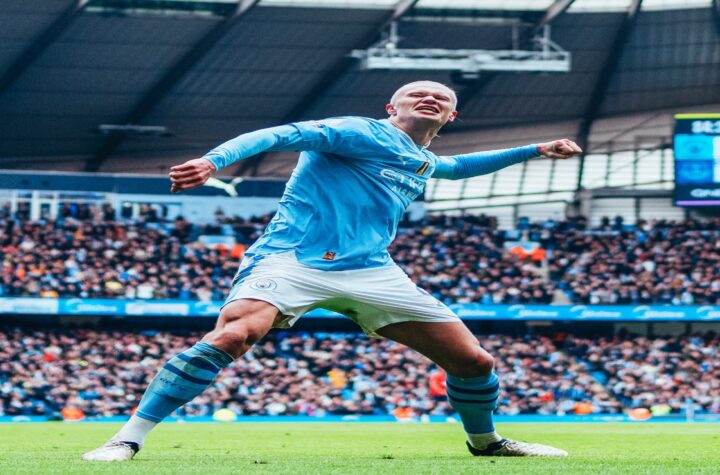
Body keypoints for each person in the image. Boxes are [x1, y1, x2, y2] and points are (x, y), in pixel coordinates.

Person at [83, 81, 581, 461]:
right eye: (416, 93)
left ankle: (486, 443)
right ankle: (127, 439)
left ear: (452, 115)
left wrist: (534, 150)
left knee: (474, 362)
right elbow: (280, 134)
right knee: (234, 334)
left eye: (441, 97)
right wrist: (214, 162)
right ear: (392, 107)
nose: (428, 98)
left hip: (372, 271)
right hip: (293, 258)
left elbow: (457, 168)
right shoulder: (358, 130)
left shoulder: (421, 160)